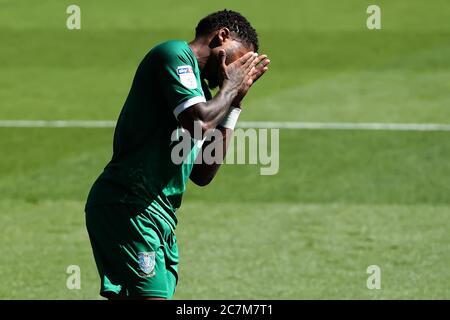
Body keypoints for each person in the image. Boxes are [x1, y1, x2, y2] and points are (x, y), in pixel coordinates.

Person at [85, 9, 270, 299]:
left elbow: (202, 172)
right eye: (240, 61)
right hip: (129, 205)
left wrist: (234, 105)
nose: (239, 71)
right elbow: (199, 122)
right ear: (222, 37)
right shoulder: (173, 54)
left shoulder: (203, 98)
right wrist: (230, 88)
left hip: (160, 216)